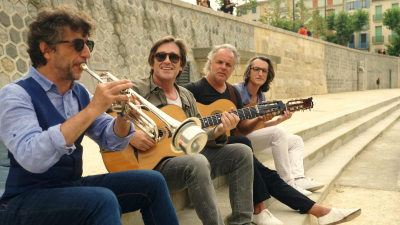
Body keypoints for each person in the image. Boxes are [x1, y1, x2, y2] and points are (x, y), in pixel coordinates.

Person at [0, 5, 178, 225]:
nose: (87, 54)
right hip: (21, 200)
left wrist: (123, 115)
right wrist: (94, 108)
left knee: (152, 182)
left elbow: (111, 140)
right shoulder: (15, 94)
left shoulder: (78, 93)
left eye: (87, 44)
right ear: (47, 49)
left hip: (69, 188)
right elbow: (32, 156)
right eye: (77, 45)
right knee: (101, 200)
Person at [184, 44, 362, 225]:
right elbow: (181, 126)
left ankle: (313, 210)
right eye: (219, 62)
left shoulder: (232, 92)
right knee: (243, 145)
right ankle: (267, 209)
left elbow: (242, 128)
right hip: (203, 149)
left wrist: (259, 118)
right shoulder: (191, 90)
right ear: (210, 63)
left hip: (229, 147)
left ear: (234, 68)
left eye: (228, 64)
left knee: (258, 161)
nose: (223, 67)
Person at [130, 36, 254, 225]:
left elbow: (197, 134)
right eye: (161, 56)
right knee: (197, 161)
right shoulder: (136, 89)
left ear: (181, 66)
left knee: (242, 152)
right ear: (152, 62)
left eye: (174, 58)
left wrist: (220, 129)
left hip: (185, 154)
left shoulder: (186, 96)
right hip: (154, 165)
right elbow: (103, 117)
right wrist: (130, 135)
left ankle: (241, 222)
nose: (166, 61)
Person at [232, 56, 324, 193]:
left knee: (295, 141)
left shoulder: (261, 96)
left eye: (264, 70)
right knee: (278, 132)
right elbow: (241, 127)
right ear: (249, 71)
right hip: (237, 140)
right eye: (256, 69)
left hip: (253, 139)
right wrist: (266, 122)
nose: (260, 73)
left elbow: (259, 126)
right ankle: (288, 184)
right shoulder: (237, 91)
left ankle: (298, 178)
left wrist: (277, 120)